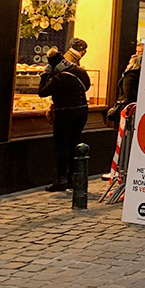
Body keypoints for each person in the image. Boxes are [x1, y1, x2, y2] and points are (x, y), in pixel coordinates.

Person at [38, 47, 91, 192]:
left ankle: (61, 179)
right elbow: (86, 86)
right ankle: (72, 179)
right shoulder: (79, 71)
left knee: (61, 146)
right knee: (74, 144)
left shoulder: (58, 78)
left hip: (64, 113)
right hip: (82, 111)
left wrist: (45, 74)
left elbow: (41, 92)